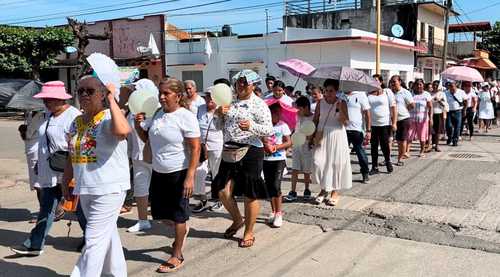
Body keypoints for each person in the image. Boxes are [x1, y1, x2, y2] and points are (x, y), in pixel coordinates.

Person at [64, 77, 130, 277]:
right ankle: (116, 274)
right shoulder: (76, 122)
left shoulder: (109, 117)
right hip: (85, 187)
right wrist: (65, 179)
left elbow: (123, 131)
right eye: (80, 90)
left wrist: (112, 100)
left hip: (108, 188)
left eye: (90, 91)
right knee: (107, 235)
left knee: (93, 239)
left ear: (101, 94)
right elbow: (71, 153)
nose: (84, 94)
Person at [135, 78, 201, 273]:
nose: (162, 97)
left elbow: (196, 148)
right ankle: (182, 228)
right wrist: (139, 127)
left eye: (166, 93)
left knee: (178, 216)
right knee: (161, 215)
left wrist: (190, 176)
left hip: (178, 173)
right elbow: (149, 140)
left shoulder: (185, 117)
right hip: (158, 172)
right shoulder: (157, 114)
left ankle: (177, 253)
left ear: (178, 96)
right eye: (160, 93)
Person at [11, 81, 81, 257]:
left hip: (68, 172)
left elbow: (77, 146)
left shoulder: (74, 117)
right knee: (46, 209)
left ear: (59, 99)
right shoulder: (48, 115)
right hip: (49, 172)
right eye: (44, 99)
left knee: (81, 211)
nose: (45, 102)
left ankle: (93, 240)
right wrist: (38, 165)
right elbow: (41, 142)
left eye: (48, 99)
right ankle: (35, 244)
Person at [212, 69, 273, 248]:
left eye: (245, 83)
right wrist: (218, 115)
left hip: (251, 150)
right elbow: (217, 126)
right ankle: (238, 220)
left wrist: (251, 126)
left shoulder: (259, 104)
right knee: (222, 191)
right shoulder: (230, 102)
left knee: (250, 194)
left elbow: (268, 130)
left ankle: (249, 231)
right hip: (229, 150)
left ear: (253, 85)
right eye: (238, 82)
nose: (241, 85)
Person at [311, 79, 351, 206]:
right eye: (326, 91)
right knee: (318, 162)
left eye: (331, 91)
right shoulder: (320, 103)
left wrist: (339, 110)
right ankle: (324, 189)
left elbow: (346, 122)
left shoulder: (342, 103)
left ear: (336, 91)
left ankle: (334, 191)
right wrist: (310, 136)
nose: (328, 93)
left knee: (335, 164)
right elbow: (315, 120)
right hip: (322, 134)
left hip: (337, 135)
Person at [125, 80, 158, 233]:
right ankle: (143, 220)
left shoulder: (158, 110)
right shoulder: (132, 110)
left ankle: (169, 218)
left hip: (157, 156)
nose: (133, 93)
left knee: (162, 188)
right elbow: (129, 135)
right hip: (137, 157)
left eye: (136, 89)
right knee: (140, 188)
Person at [192, 87, 224, 213]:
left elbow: (223, 126)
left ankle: (219, 199)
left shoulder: (221, 110)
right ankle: (202, 199)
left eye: (211, 97)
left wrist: (219, 114)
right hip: (201, 145)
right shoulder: (200, 108)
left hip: (217, 145)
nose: (209, 99)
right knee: (200, 171)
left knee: (217, 173)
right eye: (207, 96)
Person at [262, 103, 291, 227]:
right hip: (265, 159)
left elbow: (289, 142)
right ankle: (273, 211)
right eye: (275, 113)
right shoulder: (263, 126)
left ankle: (279, 213)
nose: (278, 116)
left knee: (276, 185)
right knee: (269, 187)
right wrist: (265, 145)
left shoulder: (283, 126)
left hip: (279, 160)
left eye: (280, 113)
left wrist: (276, 147)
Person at [284, 96, 313, 202]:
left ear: (306, 107)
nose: (297, 111)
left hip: (307, 147)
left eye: (299, 109)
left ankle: (307, 189)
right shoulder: (296, 116)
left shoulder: (313, 118)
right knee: (295, 169)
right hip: (296, 146)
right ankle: (293, 191)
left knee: (306, 170)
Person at [18, 110, 45, 222]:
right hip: (31, 152)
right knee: (38, 184)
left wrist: (23, 130)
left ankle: (44, 213)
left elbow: (28, 135)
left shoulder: (40, 115)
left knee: (39, 185)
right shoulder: (30, 113)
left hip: (37, 153)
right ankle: (45, 211)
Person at [367, 85, 397, 175]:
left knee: (385, 144)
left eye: (377, 81)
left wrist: (394, 122)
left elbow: (394, 107)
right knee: (374, 146)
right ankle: (374, 166)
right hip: (373, 124)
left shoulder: (387, 92)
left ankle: (388, 161)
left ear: (380, 82)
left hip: (384, 123)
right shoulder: (367, 93)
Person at [344, 90, 371, 183]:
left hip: (356, 130)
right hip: (342, 129)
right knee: (341, 154)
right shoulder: (339, 94)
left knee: (360, 152)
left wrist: (368, 130)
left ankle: (365, 173)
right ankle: (342, 175)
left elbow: (367, 113)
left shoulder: (361, 94)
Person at [390, 75, 415, 165]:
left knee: (402, 140)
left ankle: (400, 158)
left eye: (394, 81)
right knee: (390, 140)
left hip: (403, 119)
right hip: (391, 120)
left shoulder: (405, 92)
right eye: (391, 82)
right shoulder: (389, 92)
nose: (392, 83)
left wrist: (404, 110)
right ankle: (387, 159)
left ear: (400, 82)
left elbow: (412, 105)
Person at [408, 79, 433, 157]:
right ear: (414, 86)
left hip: (423, 119)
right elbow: (407, 105)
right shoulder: (411, 94)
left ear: (423, 85)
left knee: (422, 135)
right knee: (409, 135)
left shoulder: (426, 94)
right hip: (411, 118)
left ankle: (422, 151)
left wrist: (431, 118)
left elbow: (430, 107)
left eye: (420, 84)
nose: (419, 86)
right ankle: (407, 152)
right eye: (417, 84)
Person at [445, 81, 468, 146]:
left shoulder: (461, 92)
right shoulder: (446, 93)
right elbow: (443, 102)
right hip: (448, 112)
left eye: (453, 86)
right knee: (448, 126)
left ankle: (455, 140)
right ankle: (449, 137)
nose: (452, 88)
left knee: (457, 127)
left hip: (458, 112)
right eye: (450, 86)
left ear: (456, 86)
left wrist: (464, 110)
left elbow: (466, 101)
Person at [430, 80, 448, 152]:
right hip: (430, 113)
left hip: (438, 113)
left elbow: (445, 104)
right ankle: (431, 144)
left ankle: (436, 145)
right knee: (431, 130)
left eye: (436, 85)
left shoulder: (442, 94)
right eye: (434, 85)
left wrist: (439, 101)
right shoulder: (429, 93)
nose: (435, 86)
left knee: (437, 130)